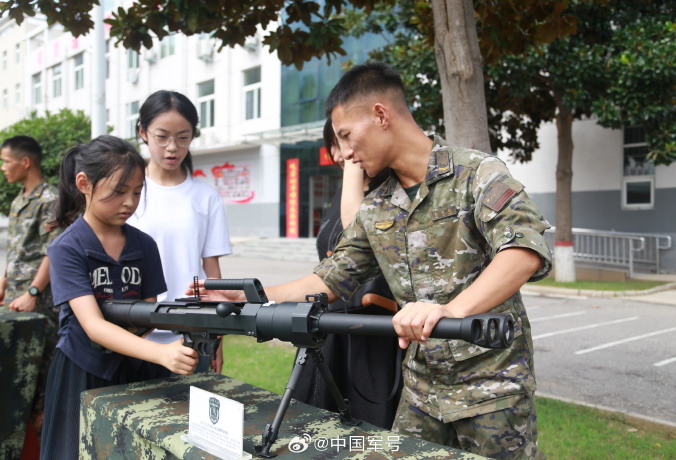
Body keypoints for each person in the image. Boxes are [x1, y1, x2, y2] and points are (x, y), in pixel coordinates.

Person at [192, 63, 552, 459]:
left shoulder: (476, 173)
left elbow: (524, 252)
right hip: (422, 390)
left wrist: (448, 310)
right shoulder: (378, 205)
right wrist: (251, 297)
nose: (344, 152)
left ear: (381, 115)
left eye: (346, 135)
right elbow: (331, 279)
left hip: (492, 388)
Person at [41, 135, 199, 459]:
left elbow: (148, 310)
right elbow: (93, 326)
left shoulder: (144, 245)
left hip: (138, 368)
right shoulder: (67, 248)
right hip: (83, 369)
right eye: (118, 191)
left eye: (138, 192)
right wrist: (160, 354)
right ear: (84, 183)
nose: (129, 202)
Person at [291, 119, 402, 429]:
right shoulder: (343, 193)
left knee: (367, 433)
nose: (341, 155)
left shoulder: (391, 192)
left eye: (345, 143)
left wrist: (353, 170)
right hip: (329, 331)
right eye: (334, 145)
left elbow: (360, 236)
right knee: (318, 429)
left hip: (373, 332)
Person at [128, 90, 232, 373]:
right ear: (143, 132)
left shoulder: (205, 195)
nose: (172, 147)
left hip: (192, 334)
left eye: (182, 138)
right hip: (136, 332)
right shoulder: (129, 193)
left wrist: (217, 335)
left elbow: (212, 269)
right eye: (162, 137)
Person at [0, 135, 61, 436]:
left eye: (5, 162)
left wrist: (33, 292)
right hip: (15, 299)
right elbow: (17, 251)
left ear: (25, 162)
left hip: (39, 305)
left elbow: (54, 250)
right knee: (13, 376)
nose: (3, 168)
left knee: (39, 381)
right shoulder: (19, 200)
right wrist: (4, 282)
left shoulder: (49, 199)